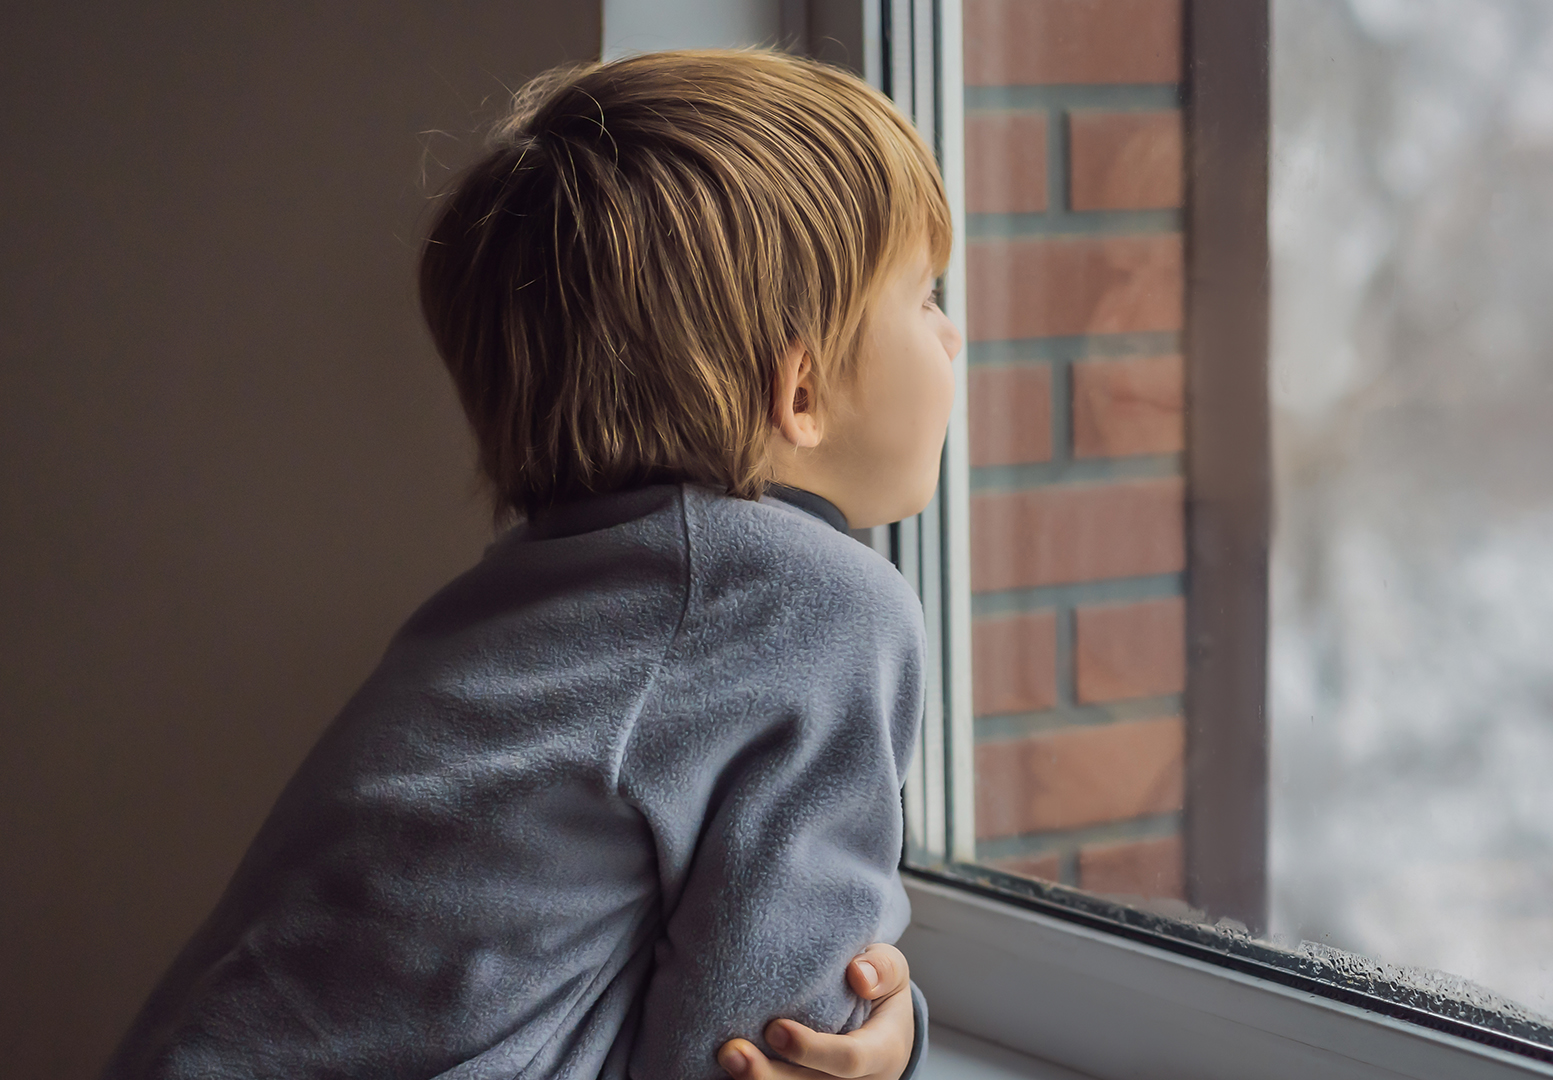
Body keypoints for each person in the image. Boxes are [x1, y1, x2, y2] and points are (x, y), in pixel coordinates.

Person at [101, 48, 961, 1080]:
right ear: (803, 392)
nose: (952, 338)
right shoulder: (814, 603)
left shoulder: (519, 594)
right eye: (923, 296)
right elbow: (760, 1047)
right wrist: (890, 1027)